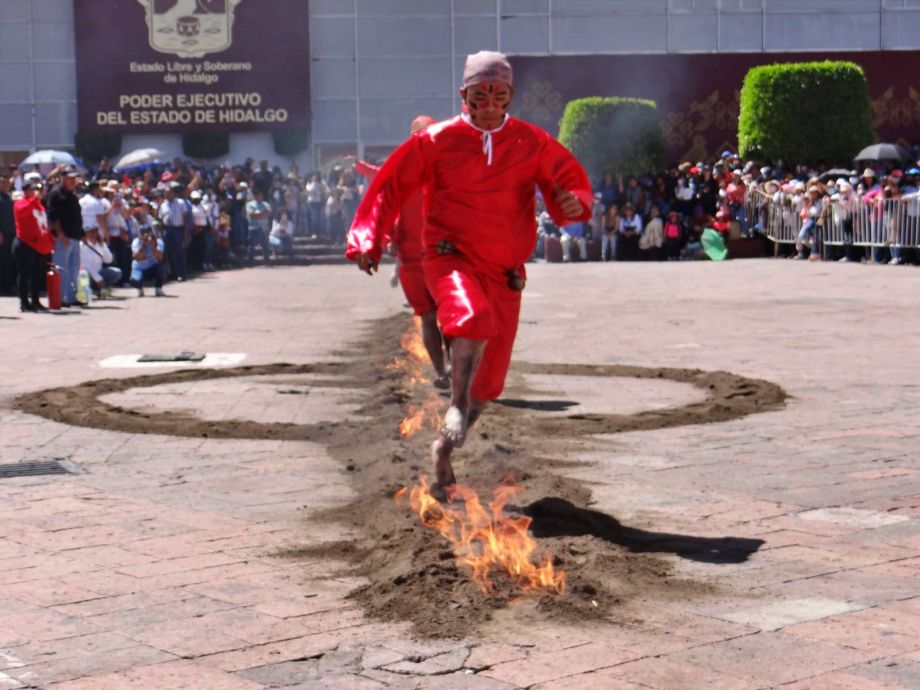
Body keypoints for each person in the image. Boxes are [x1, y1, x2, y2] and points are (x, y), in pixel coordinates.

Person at [346, 50, 592, 495]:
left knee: (491, 383)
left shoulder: (531, 141)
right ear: (465, 96)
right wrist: (367, 237)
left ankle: (444, 449)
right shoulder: (434, 141)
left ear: (511, 95)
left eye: (499, 94)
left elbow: (565, 179)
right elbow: (389, 186)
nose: (491, 103)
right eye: (481, 94)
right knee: (470, 318)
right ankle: (454, 403)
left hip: (506, 273)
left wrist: (572, 200)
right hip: (450, 256)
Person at [352, 116, 451, 388]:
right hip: (411, 260)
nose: (423, 141)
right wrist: (382, 242)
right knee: (429, 317)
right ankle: (443, 372)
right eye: (418, 136)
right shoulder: (402, 175)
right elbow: (382, 205)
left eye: (428, 135)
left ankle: (455, 365)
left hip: (444, 258)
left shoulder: (448, 172)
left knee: (450, 316)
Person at [12, 180, 54, 312]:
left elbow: (43, 224)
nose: (36, 192)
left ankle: (35, 301)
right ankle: (24, 303)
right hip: (24, 243)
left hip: (39, 245)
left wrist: (50, 240)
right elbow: (22, 213)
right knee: (25, 274)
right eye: (33, 189)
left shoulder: (39, 206)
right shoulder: (20, 203)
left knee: (37, 274)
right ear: (26, 190)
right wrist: (33, 199)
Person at [45, 167, 84, 307]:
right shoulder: (56, 194)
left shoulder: (72, 196)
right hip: (62, 238)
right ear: (63, 178)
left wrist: (81, 234)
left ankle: (71, 297)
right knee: (62, 268)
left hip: (74, 236)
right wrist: (61, 235)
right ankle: (60, 298)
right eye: (70, 178)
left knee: (73, 270)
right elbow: (52, 218)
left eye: (74, 178)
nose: (73, 181)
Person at [80, 226, 121, 297]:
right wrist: (99, 279)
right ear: (86, 233)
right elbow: (86, 266)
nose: (93, 233)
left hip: (99, 272)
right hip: (88, 274)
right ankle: (88, 291)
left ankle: (100, 289)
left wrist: (103, 246)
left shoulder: (101, 244)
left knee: (117, 272)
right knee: (84, 274)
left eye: (95, 231)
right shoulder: (81, 245)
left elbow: (109, 260)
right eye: (90, 232)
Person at [130, 226, 166, 297]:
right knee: (134, 280)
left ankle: (158, 289)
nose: (145, 235)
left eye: (148, 233)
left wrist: (153, 246)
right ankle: (140, 289)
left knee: (162, 267)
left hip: (152, 268)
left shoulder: (158, 242)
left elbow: (160, 257)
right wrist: (143, 245)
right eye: (143, 233)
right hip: (139, 269)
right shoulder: (136, 242)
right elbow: (138, 258)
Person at [246, 188, 272, 265]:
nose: (261, 197)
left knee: (265, 245)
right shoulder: (250, 204)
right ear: (256, 196)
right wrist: (262, 213)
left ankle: (266, 262)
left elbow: (269, 213)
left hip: (263, 228)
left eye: (261, 195)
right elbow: (252, 215)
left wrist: (258, 214)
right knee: (251, 246)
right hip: (253, 228)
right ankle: (250, 262)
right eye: (259, 195)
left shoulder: (265, 204)